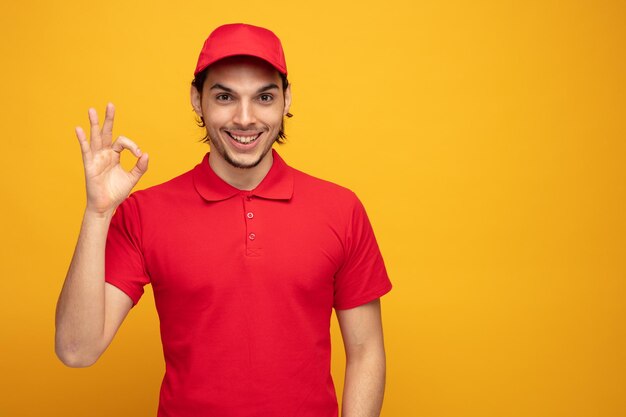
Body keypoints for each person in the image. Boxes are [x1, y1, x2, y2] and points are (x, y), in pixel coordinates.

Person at [55, 23, 392, 417]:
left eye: (264, 97)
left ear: (286, 99)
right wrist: (98, 213)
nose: (245, 118)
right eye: (225, 96)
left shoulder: (341, 209)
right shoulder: (145, 212)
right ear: (197, 100)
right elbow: (76, 350)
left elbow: (367, 350)